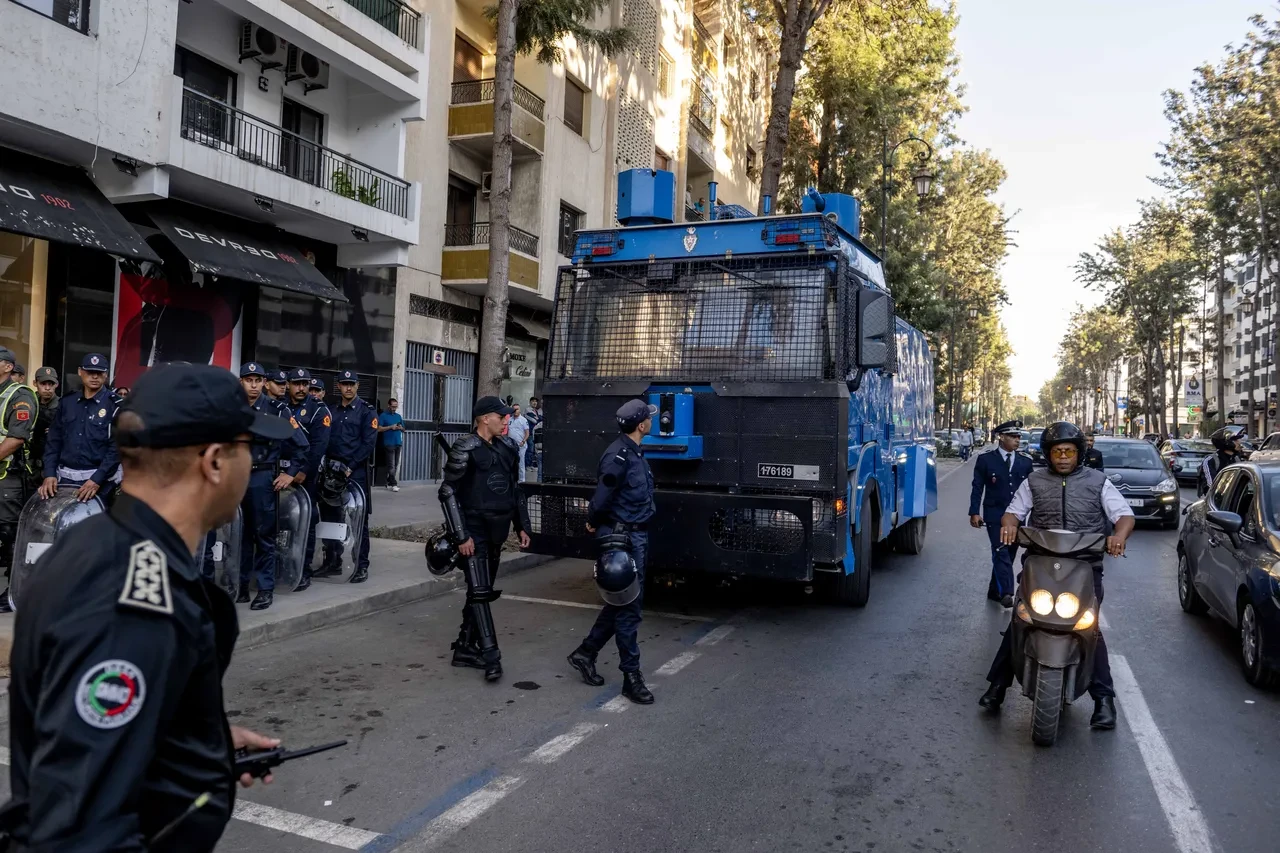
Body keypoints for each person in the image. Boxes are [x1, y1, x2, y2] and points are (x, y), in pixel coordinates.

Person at [0, 363, 286, 851]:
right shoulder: (135, 598)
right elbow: (80, 831)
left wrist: (193, 738)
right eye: (248, 448)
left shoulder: (92, 541)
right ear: (215, 461)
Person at [978, 421, 1134, 730]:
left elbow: (1124, 516)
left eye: (1069, 451)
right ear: (1048, 454)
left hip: (1085, 566)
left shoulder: (1098, 482)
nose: (1063, 457)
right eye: (1057, 451)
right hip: (1041, 562)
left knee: (1090, 629)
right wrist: (1009, 524)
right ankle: (998, 686)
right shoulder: (1034, 481)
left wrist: (1119, 536)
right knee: (1022, 619)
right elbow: (1013, 512)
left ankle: (1104, 700)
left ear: (1079, 453)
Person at [567, 399, 658, 705]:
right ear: (641, 425)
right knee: (629, 610)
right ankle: (631, 677)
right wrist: (593, 522)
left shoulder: (634, 451)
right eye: (649, 418)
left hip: (634, 536)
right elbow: (603, 495)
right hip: (622, 539)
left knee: (622, 602)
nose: (652, 421)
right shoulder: (618, 456)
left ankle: (586, 652)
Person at [438, 396, 530, 681]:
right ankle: (492, 657)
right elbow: (448, 491)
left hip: (497, 530)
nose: (506, 420)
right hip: (473, 531)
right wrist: (461, 535)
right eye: (501, 416)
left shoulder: (507, 448)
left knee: (482, 591)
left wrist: (521, 526)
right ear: (484, 418)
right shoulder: (465, 448)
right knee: (479, 593)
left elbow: (514, 490)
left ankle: (465, 647)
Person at [235, 362, 308, 610]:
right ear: (240, 382)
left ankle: (265, 589)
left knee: (263, 535)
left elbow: (302, 445)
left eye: (258, 380)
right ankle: (241, 585)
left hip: (262, 478)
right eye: (248, 380)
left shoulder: (278, 410)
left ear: (265, 383)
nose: (253, 385)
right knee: (239, 534)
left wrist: (290, 473)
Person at [38, 353, 121, 504]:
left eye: (99, 373)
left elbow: (116, 449)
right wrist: (49, 474)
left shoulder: (115, 405)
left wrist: (97, 479)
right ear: (80, 372)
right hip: (64, 479)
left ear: (106, 374)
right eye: (90, 372)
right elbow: (54, 441)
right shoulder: (67, 402)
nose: (95, 377)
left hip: (99, 481)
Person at [319, 369, 376, 583]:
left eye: (352, 384)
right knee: (330, 518)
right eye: (344, 384)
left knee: (358, 520)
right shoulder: (331, 410)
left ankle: (361, 566)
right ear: (339, 386)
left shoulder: (366, 411)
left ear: (357, 386)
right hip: (331, 473)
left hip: (355, 472)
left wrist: (350, 467)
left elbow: (368, 443)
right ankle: (332, 562)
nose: (348, 387)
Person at [968, 420, 1033, 608]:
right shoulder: (986, 459)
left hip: (1017, 516)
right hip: (994, 514)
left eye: (1019, 436)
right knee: (1000, 550)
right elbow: (977, 487)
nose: (1017, 440)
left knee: (1009, 553)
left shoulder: (1025, 461)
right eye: (1013, 436)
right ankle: (1006, 592)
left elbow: (1032, 491)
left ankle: (994, 590)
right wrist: (974, 512)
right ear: (1001, 437)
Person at [0, 348, 37, 613]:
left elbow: (16, 438)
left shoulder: (20, 395)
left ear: (6, 366)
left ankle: (12, 594)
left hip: (8, 479)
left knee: (11, 535)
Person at [287, 368, 330, 591]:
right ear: (289, 385)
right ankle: (284, 568)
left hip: (306, 477)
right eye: (297, 383)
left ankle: (303, 571)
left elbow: (318, 446)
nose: (302, 388)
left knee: (305, 522)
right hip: (282, 474)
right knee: (283, 523)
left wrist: (304, 471)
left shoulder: (317, 409)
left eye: (305, 384)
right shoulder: (281, 407)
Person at [27, 367, 59, 495]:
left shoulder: (63, 407)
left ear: (56, 385)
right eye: (43, 384)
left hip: (51, 469)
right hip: (28, 465)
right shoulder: (28, 403)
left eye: (50, 384)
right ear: (35, 384)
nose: (47, 388)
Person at [1199, 425, 1246, 496]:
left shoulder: (1237, 459)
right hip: (1217, 500)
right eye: (1235, 440)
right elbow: (1211, 485)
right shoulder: (1211, 460)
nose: (1239, 442)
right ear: (1226, 442)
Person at [377, 398, 405, 492]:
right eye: (392, 406)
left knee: (396, 464)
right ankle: (393, 484)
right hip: (389, 443)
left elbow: (404, 429)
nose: (394, 408)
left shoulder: (398, 416)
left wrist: (400, 428)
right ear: (388, 405)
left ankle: (389, 480)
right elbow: (379, 429)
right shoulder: (383, 416)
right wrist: (390, 427)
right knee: (391, 465)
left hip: (398, 442)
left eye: (395, 406)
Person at [506, 403, 530, 483]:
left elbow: (527, 433)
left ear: (520, 410)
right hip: (511, 445)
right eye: (514, 409)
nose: (516, 411)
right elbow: (507, 431)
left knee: (520, 463)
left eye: (517, 409)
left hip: (520, 445)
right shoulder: (509, 420)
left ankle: (522, 480)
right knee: (511, 462)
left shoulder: (523, 420)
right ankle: (513, 479)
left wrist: (523, 441)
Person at [525, 396, 543, 474]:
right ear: (530, 402)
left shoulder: (536, 411)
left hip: (535, 433)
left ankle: (531, 465)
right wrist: (539, 418)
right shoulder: (528, 410)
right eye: (533, 401)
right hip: (529, 433)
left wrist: (538, 417)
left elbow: (541, 419)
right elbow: (535, 420)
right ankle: (527, 465)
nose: (535, 402)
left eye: (536, 401)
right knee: (530, 450)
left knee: (533, 450)